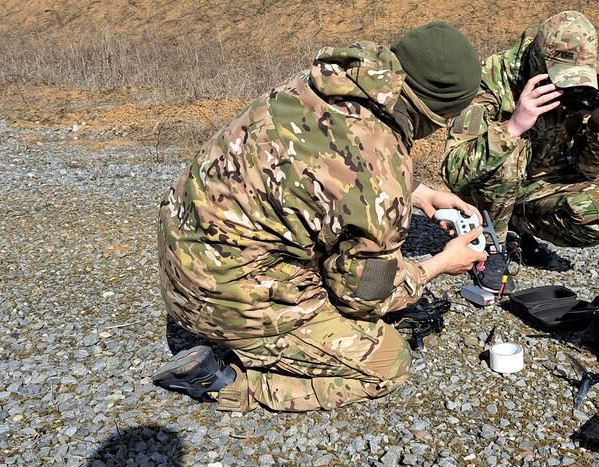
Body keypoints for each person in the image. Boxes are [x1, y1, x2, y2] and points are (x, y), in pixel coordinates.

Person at [154, 22, 487, 412]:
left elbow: (326, 164)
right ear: (434, 113)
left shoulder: (327, 84)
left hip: (185, 253)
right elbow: (366, 298)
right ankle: (223, 382)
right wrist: (440, 264)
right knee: (387, 361)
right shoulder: (380, 177)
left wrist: (418, 192)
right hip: (220, 297)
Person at [442, 11, 599, 295]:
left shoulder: (583, 83)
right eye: (559, 77)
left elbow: (590, 173)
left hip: (535, 190)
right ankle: (492, 245)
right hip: (484, 192)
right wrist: (513, 126)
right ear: (538, 60)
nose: (564, 85)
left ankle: (519, 229)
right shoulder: (488, 80)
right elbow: (454, 172)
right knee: (511, 148)